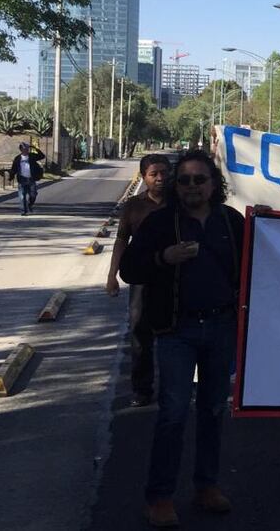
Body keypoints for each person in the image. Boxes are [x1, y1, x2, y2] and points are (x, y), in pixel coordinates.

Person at [119, 150, 245, 528]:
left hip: (222, 328)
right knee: (173, 414)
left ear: (213, 184)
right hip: (177, 331)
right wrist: (164, 258)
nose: (192, 186)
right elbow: (129, 268)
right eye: (185, 180)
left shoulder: (231, 221)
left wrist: (269, 219)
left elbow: (265, 255)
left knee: (212, 411)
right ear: (177, 185)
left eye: (200, 179)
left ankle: (206, 487)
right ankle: (159, 497)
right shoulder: (161, 223)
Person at [108, 154, 171, 407]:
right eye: (154, 174)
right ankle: (142, 389)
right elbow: (122, 239)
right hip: (142, 278)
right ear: (143, 177)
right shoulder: (134, 206)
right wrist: (112, 275)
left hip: (174, 278)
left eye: (165, 173)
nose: (160, 179)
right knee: (139, 333)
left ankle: (175, 387)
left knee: (174, 335)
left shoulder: (181, 202)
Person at [10, 141, 45, 216]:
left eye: (27, 148)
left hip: (31, 179)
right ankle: (23, 211)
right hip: (22, 179)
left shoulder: (32, 156)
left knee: (33, 195)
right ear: (21, 149)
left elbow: (42, 156)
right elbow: (14, 169)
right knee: (22, 196)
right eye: (24, 148)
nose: (26, 149)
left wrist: (35, 148)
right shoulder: (17, 158)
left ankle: (30, 204)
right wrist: (11, 177)